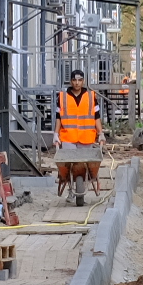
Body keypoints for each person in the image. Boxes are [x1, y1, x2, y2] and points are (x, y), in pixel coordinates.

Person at [56, 70, 102, 206]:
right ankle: (71, 190)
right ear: (71, 81)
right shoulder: (63, 96)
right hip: (68, 137)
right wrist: (55, 134)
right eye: (74, 80)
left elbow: (97, 117)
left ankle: (82, 188)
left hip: (86, 137)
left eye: (80, 80)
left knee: (84, 167)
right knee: (69, 165)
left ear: (83, 81)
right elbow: (58, 117)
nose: (77, 83)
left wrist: (101, 133)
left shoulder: (91, 96)